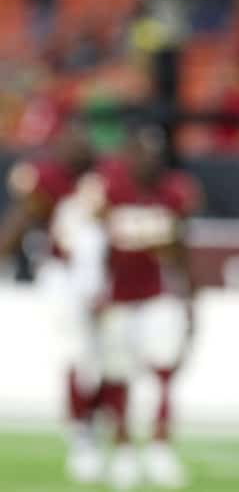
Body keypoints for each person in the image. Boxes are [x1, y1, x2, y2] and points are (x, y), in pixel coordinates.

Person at [81, 126, 201, 490]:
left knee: (162, 370)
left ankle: (160, 445)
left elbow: (182, 249)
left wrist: (191, 299)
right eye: (140, 153)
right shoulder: (106, 190)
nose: (147, 161)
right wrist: (92, 293)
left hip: (159, 296)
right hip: (117, 299)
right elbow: (92, 247)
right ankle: (122, 450)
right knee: (118, 375)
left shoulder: (174, 191)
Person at [1, 121, 101, 483]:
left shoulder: (104, 178)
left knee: (104, 360)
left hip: (106, 278)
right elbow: (24, 216)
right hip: (64, 276)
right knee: (77, 355)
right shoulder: (45, 177)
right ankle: (81, 433)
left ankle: (96, 428)